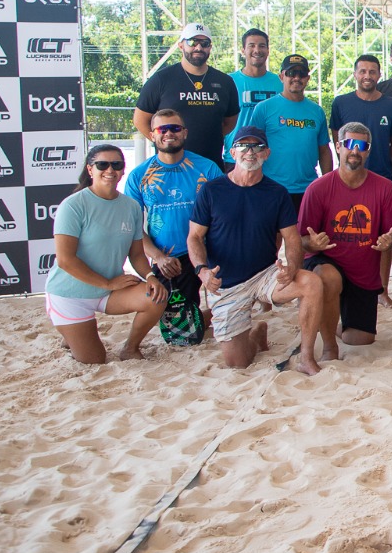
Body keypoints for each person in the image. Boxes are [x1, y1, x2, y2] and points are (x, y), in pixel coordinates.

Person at [187, 126, 325, 371]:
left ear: (267, 153)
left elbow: (292, 240)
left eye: (258, 146)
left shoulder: (277, 193)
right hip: (226, 282)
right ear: (232, 152)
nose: (250, 152)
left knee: (312, 283)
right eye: (243, 146)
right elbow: (194, 237)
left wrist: (292, 268)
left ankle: (306, 357)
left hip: (266, 275)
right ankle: (257, 333)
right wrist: (202, 271)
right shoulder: (211, 190)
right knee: (237, 363)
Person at [46, 145, 167, 364]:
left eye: (116, 165)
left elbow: (137, 254)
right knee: (94, 360)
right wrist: (108, 283)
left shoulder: (131, 206)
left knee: (156, 296)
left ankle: (130, 348)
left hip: (108, 291)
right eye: (102, 164)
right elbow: (65, 260)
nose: (110, 170)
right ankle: (68, 331)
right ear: (90, 169)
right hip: (71, 293)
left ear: (123, 170)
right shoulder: (73, 205)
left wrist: (150, 277)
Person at [297, 124, 392, 368]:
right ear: (339, 146)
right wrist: (311, 242)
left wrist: (388, 242)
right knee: (327, 277)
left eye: (362, 146)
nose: (355, 150)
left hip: (362, 272)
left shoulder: (384, 188)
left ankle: (329, 322)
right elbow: (300, 241)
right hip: (327, 261)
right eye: (350, 144)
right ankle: (329, 347)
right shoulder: (318, 188)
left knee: (360, 340)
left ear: (368, 151)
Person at [124, 109, 223, 346]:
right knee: (182, 339)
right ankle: (204, 317)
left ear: (185, 133)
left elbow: (227, 211)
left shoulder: (207, 168)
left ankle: (222, 311)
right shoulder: (139, 175)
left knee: (230, 303)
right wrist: (158, 258)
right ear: (152, 135)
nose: (169, 133)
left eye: (175, 128)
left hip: (210, 251)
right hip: (170, 259)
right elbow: (133, 227)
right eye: (162, 129)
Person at [134, 22, 239, 165]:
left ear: (210, 47)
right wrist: (164, 143)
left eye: (205, 43)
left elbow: (229, 123)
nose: (199, 47)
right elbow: (140, 120)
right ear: (181, 45)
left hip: (210, 165)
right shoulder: (161, 79)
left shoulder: (225, 82)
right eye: (192, 42)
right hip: (171, 166)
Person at [247, 53, 332, 208]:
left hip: (308, 189)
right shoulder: (264, 108)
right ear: (281, 77)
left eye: (302, 74)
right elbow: (251, 148)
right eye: (291, 73)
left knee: (306, 233)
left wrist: (328, 184)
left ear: (308, 78)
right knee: (272, 232)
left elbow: (324, 150)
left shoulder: (317, 111)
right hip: (271, 187)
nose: (296, 78)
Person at [329, 54, 392, 181]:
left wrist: (383, 159)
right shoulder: (340, 103)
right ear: (355, 74)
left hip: (382, 176)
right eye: (362, 71)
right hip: (349, 177)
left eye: (372, 72)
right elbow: (337, 138)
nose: (367, 76)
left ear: (379, 75)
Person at [225, 28, 281, 166]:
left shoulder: (280, 83)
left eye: (262, 46)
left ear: (268, 51)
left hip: (271, 158)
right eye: (251, 45)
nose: (257, 50)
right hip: (237, 157)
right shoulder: (228, 82)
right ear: (243, 51)